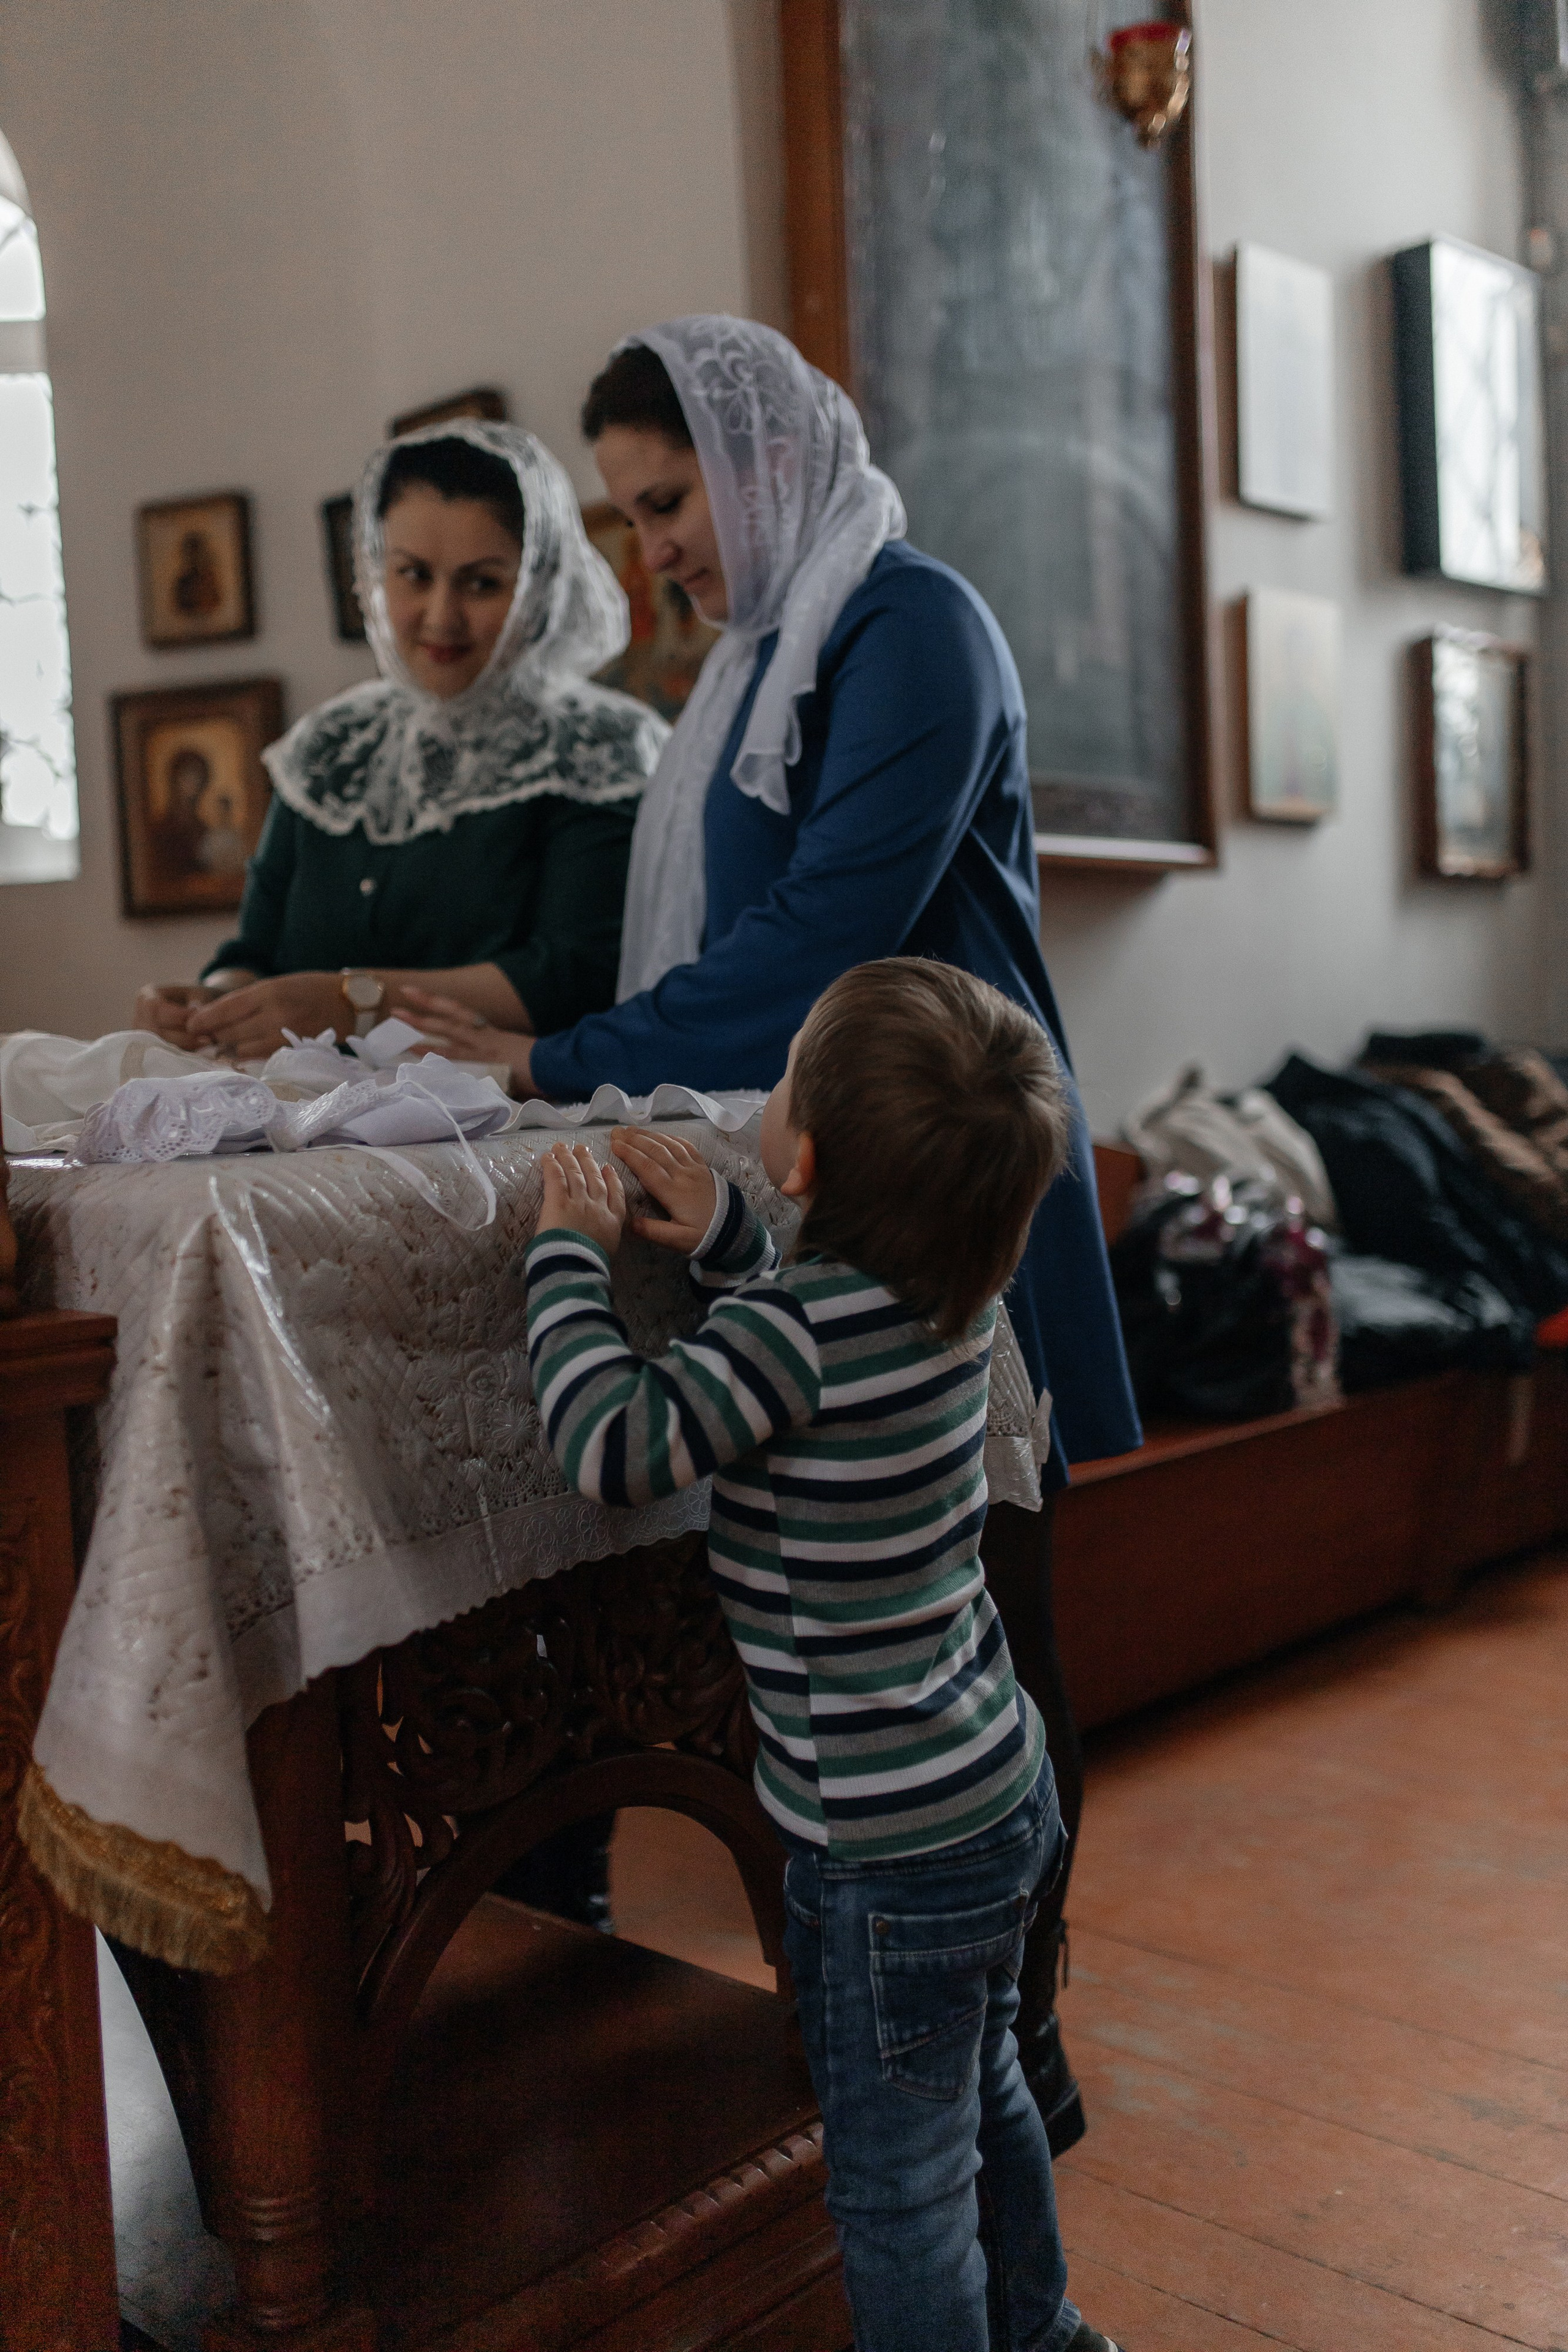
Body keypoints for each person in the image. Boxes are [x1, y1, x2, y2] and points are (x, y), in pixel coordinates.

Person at [404, 318, 1142, 2148]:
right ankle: (900, 2031)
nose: (654, 545)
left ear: (767, 463)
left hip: (947, 1174)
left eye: (673, 501)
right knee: (861, 1620)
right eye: (631, 514)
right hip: (812, 1199)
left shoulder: (907, 624)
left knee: (997, 1629)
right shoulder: (747, 666)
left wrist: (558, 1065)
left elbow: (823, 937)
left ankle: (1015, 2040)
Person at [523, 960, 1123, 2352]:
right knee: (986, 2091)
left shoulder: (791, 1332)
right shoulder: (953, 1295)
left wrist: (567, 1248)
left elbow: (614, 1443)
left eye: (786, 1065)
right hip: (995, 1793)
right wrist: (738, 1224)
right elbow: (818, 1323)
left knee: (894, 2185)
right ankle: (1042, 2333)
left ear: (801, 1150)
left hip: (880, 1852)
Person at [134, 422, 665, 1062]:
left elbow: (570, 976)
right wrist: (209, 1005)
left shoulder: (598, 746)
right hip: (303, 1121)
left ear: (538, 589)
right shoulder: (334, 743)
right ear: (374, 571)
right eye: (414, 574)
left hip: (507, 1123)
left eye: (481, 583)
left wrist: (354, 1002)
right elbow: (257, 954)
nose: (441, 616)